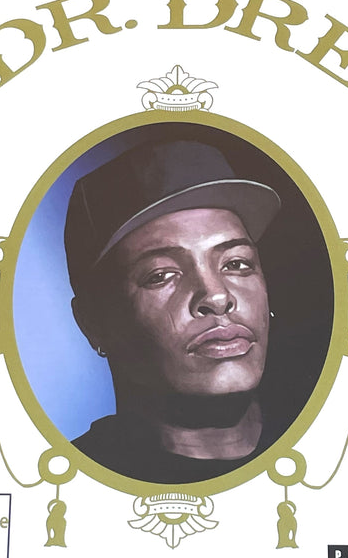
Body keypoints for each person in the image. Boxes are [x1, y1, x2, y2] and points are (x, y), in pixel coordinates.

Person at [63, 138, 283, 484]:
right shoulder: (66, 484)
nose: (217, 296)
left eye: (236, 263)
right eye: (161, 275)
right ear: (93, 323)